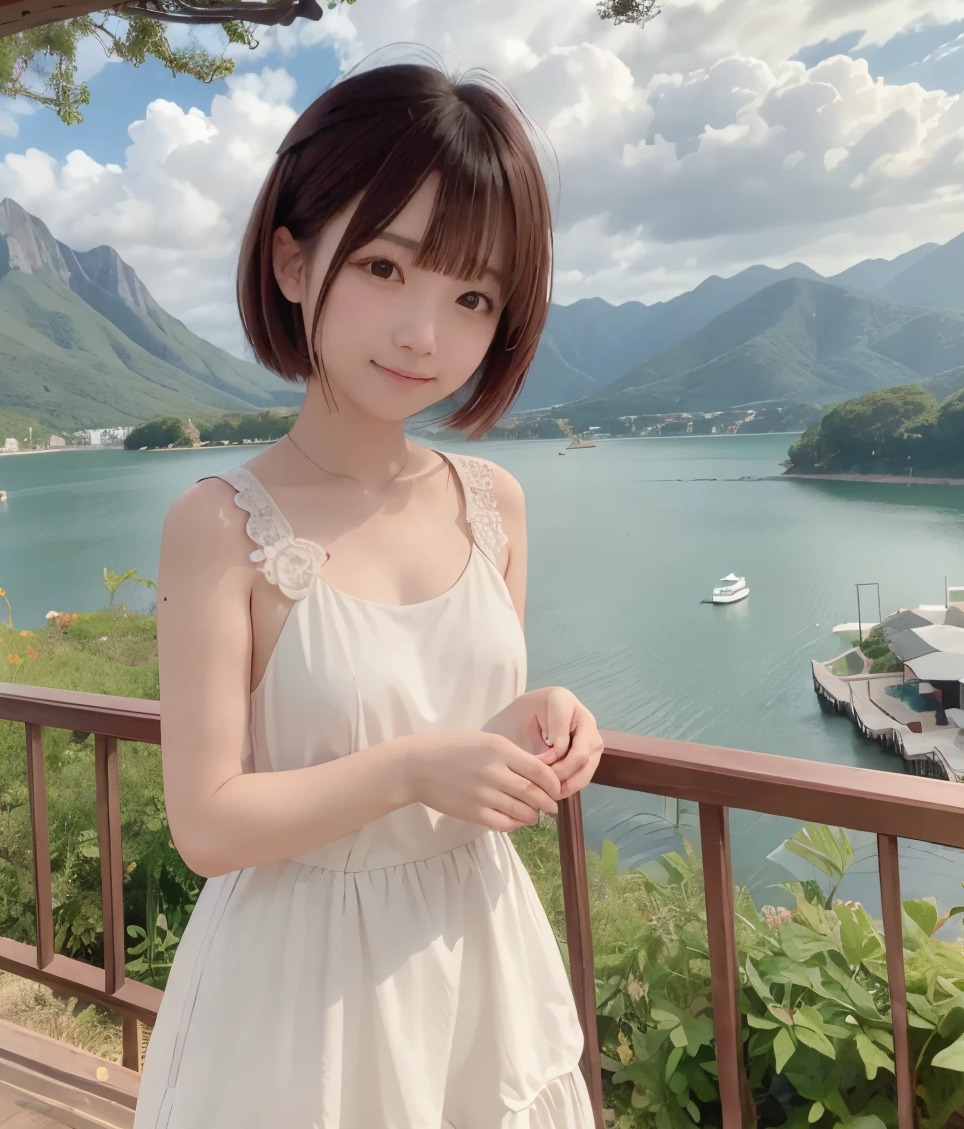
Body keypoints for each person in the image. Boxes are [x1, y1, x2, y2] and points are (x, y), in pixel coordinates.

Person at [137, 58, 606, 1128]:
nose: (423, 334)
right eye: (388, 268)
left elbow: (452, 732)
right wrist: (410, 769)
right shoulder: (220, 524)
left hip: (476, 943)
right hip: (304, 991)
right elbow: (207, 823)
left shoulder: (495, 504)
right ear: (294, 261)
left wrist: (531, 721)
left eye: (472, 295)